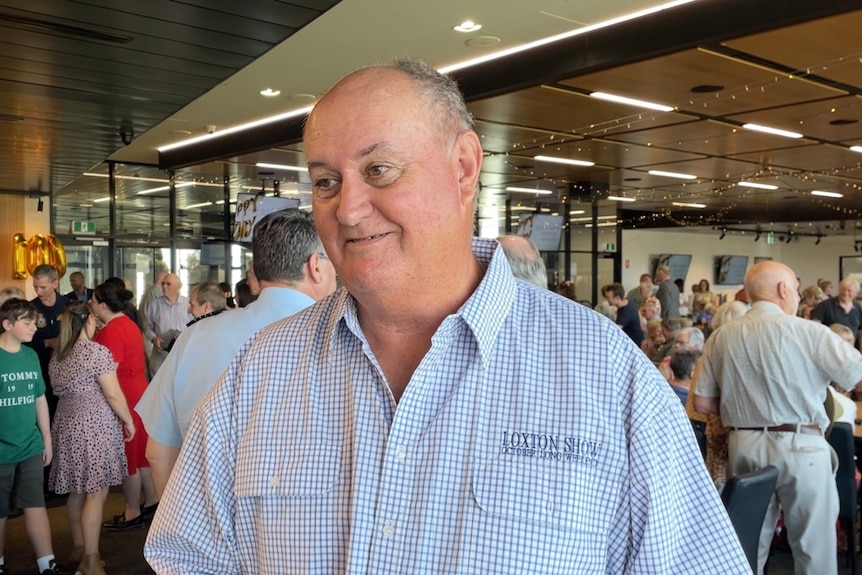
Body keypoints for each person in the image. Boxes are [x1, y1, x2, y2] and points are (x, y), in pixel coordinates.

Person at [144, 59, 748, 574]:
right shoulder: (261, 371)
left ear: (463, 168)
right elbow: (187, 556)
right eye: (326, 181)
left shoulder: (608, 379)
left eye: (378, 169)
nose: (348, 209)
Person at [137, 209, 337, 498]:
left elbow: (158, 451)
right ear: (316, 266)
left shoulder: (196, 336)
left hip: (202, 527)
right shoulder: (338, 340)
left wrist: (183, 531)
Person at [694, 260, 862, 575]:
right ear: (783, 290)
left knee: (747, 545)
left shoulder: (720, 336)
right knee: (814, 551)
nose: (798, 296)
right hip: (802, 446)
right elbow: (858, 375)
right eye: (796, 289)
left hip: (743, 445)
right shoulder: (810, 332)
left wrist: (743, 405)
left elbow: (702, 403)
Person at [48, 301, 135, 575]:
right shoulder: (95, 352)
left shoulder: (58, 355)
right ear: (87, 320)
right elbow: (112, 394)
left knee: (76, 489)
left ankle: (78, 546)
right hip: (94, 426)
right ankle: (91, 558)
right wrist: (128, 419)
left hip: (65, 424)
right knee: (96, 494)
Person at [90, 281, 159, 531]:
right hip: (139, 390)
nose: (91, 304)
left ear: (103, 305)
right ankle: (151, 500)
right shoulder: (128, 323)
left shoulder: (111, 331)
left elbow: (110, 371)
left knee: (129, 458)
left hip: (124, 393)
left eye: (94, 300)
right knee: (140, 454)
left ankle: (132, 511)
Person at [0, 299, 61, 575]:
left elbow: (39, 398)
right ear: (7, 325)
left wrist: (46, 438)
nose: (33, 328)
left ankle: (46, 563)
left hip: (30, 445)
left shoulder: (30, 356)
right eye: (26, 323)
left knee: (35, 503)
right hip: (2, 450)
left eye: (33, 322)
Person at [24, 264, 68, 417]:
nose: (38, 291)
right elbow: (24, 343)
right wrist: (48, 343)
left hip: (66, 371)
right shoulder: (30, 309)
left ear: (55, 283)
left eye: (43, 287)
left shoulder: (68, 306)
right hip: (40, 370)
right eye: (35, 287)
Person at [143, 273, 192, 377]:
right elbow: (147, 326)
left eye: (168, 284)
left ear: (178, 287)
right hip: (160, 351)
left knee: (179, 382)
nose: (164, 286)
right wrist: (153, 338)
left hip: (182, 350)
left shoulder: (188, 304)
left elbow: (195, 325)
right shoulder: (155, 304)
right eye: (163, 283)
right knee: (156, 384)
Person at [811, 277, 862, 350]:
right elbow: (815, 327)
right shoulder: (825, 305)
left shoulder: (857, 307)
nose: (845, 293)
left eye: (849, 290)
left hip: (851, 350)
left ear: (855, 293)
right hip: (830, 349)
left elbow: (860, 332)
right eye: (843, 290)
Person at [602, 282, 644, 346]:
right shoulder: (629, 301)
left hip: (633, 344)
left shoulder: (624, 313)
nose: (606, 299)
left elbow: (615, 332)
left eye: (608, 297)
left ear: (617, 298)